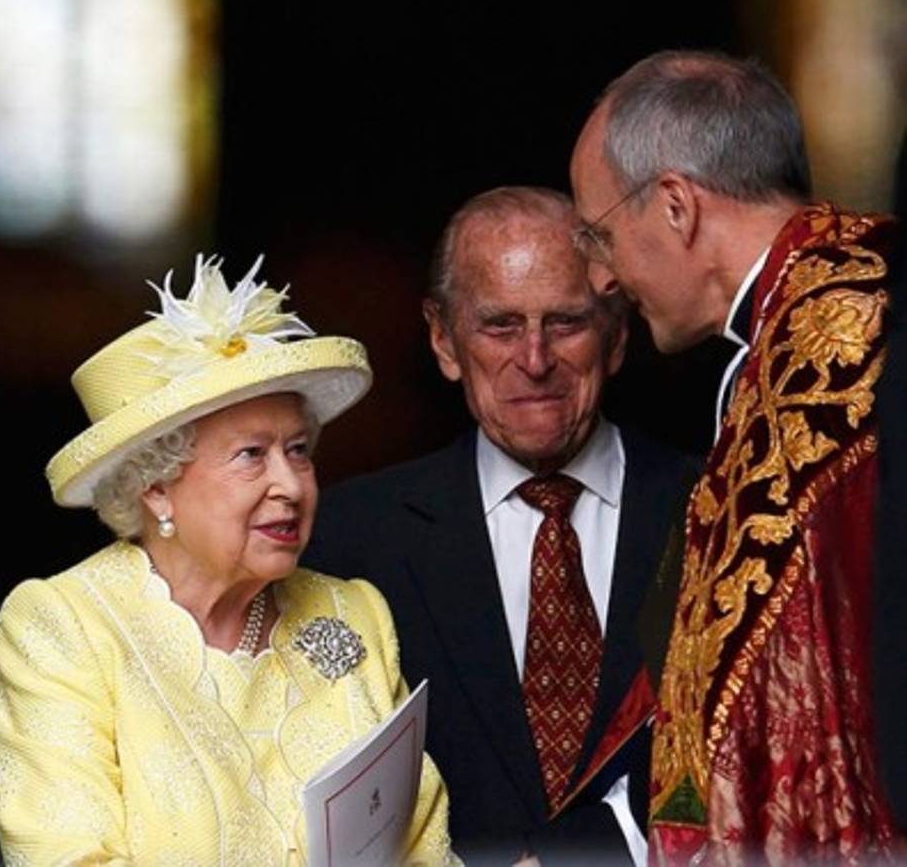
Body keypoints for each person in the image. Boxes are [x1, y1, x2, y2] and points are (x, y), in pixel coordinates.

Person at [0, 256, 457, 864]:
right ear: (156, 486)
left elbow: (421, 848)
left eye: (299, 450)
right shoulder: (63, 627)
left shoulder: (353, 610)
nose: (290, 483)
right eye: (252, 455)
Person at [570, 49, 904, 862]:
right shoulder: (778, 344)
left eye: (601, 235)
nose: (600, 276)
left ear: (676, 205)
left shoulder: (865, 341)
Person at [308, 187, 698, 864]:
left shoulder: (718, 508)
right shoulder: (348, 539)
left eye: (566, 322)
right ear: (443, 339)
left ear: (617, 335)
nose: (535, 359)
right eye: (499, 326)